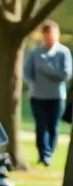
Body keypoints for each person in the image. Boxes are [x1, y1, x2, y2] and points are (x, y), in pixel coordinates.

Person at [23, 20, 71, 166]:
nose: (50, 37)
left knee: (53, 126)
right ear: (43, 35)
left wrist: (48, 69)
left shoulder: (63, 52)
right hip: (37, 96)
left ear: (57, 35)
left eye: (52, 34)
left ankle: (49, 152)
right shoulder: (35, 52)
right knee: (41, 125)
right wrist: (33, 85)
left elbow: (66, 74)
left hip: (56, 96)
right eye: (47, 34)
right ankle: (43, 155)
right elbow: (27, 72)